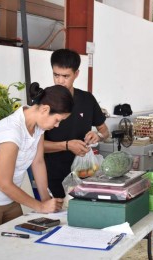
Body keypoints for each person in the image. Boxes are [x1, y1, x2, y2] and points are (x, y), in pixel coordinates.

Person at [0, 83, 74, 236]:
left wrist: (47, 200)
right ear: (45, 109)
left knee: (16, 246)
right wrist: (40, 207)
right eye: (57, 120)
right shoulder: (11, 132)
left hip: (10, 200)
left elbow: (38, 161)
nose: (57, 125)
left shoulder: (38, 127)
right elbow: (3, 183)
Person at [44, 49, 110, 198]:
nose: (60, 81)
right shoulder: (43, 100)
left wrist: (98, 135)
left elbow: (105, 132)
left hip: (84, 174)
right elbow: (35, 145)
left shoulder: (87, 99)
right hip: (52, 177)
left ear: (76, 74)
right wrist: (67, 145)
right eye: (56, 75)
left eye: (66, 76)